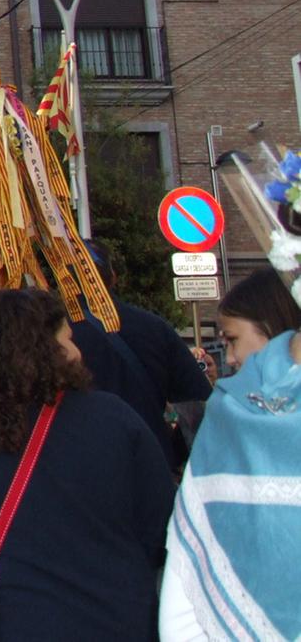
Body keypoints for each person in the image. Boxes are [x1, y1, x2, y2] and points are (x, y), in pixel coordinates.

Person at [0, 288, 172, 641]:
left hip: (18, 621)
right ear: (45, 351)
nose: (78, 351)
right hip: (120, 619)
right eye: (68, 339)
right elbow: (162, 530)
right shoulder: (117, 419)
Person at [161, 269, 301, 640]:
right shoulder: (232, 413)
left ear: (273, 327)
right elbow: (196, 547)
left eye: (233, 340)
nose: (233, 357)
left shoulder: (231, 412)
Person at [69, 239, 212, 470]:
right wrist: (173, 450)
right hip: (152, 462)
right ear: (113, 276)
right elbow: (196, 408)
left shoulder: (54, 337)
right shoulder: (155, 328)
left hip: (82, 469)